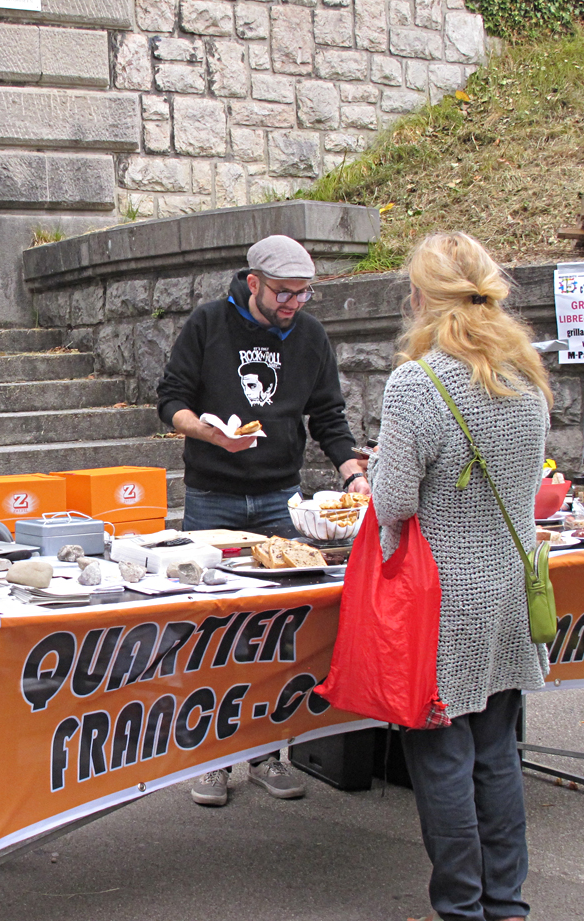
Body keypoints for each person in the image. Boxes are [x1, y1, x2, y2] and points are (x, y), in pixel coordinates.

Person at [367, 232, 550, 921]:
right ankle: (505, 903)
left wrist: (378, 464)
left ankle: (461, 907)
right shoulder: (523, 372)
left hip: (439, 600)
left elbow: (394, 501)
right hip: (509, 588)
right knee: (497, 753)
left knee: (443, 757)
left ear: (420, 298)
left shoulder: (419, 382)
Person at [156, 234, 369, 808]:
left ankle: (268, 752)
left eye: (303, 293)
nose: (293, 303)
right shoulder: (208, 323)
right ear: (253, 283)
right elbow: (170, 400)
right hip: (212, 497)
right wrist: (208, 433)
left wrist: (353, 473)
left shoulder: (311, 335)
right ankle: (210, 760)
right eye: (283, 292)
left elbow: (328, 415)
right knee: (212, 629)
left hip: (281, 498)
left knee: (280, 631)